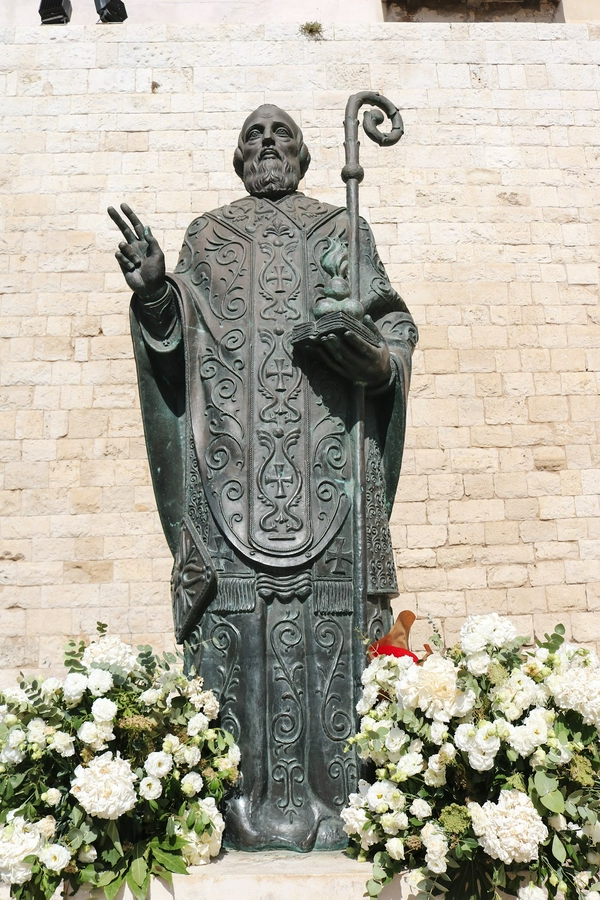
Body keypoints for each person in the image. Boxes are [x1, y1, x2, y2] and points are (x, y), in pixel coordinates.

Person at [108, 104, 418, 852]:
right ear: (236, 156)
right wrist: (155, 290)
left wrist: (379, 362)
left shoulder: (342, 231)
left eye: (281, 134)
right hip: (232, 474)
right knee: (235, 636)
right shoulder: (209, 235)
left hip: (330, 468)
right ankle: (230, 807)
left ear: (308, 155)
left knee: (333, 636)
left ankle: (348, 806)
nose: (268, 144)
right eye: (254, 134)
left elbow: (394, 321)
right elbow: (174, 332)